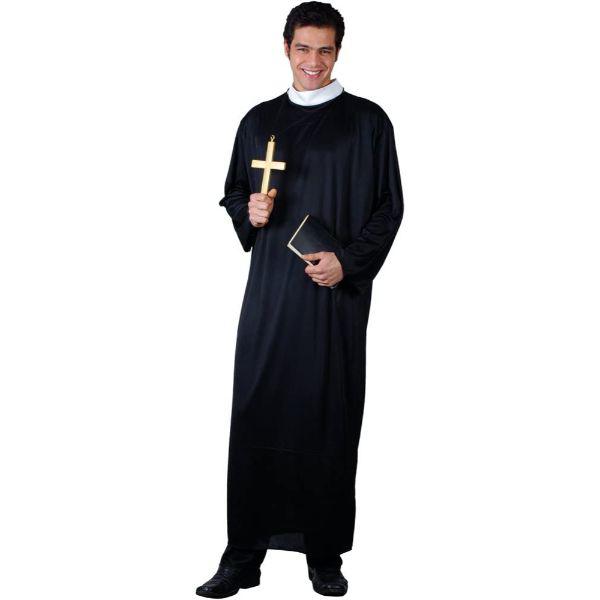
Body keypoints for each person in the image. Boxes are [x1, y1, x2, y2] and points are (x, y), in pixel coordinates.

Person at [196, 2, 404, 597]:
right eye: (303, 48)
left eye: (325, 49)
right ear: (285, 47)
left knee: (326, 415)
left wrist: (348, 264)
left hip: (333, 298)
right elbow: (235, 192)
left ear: (338, 52)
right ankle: (243, 556)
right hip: (271, 295)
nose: (314, 61)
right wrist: (249, 210)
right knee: (258, 411)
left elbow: (389, 207)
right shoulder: (259, 120)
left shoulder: (367, 122)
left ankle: (323, 552)